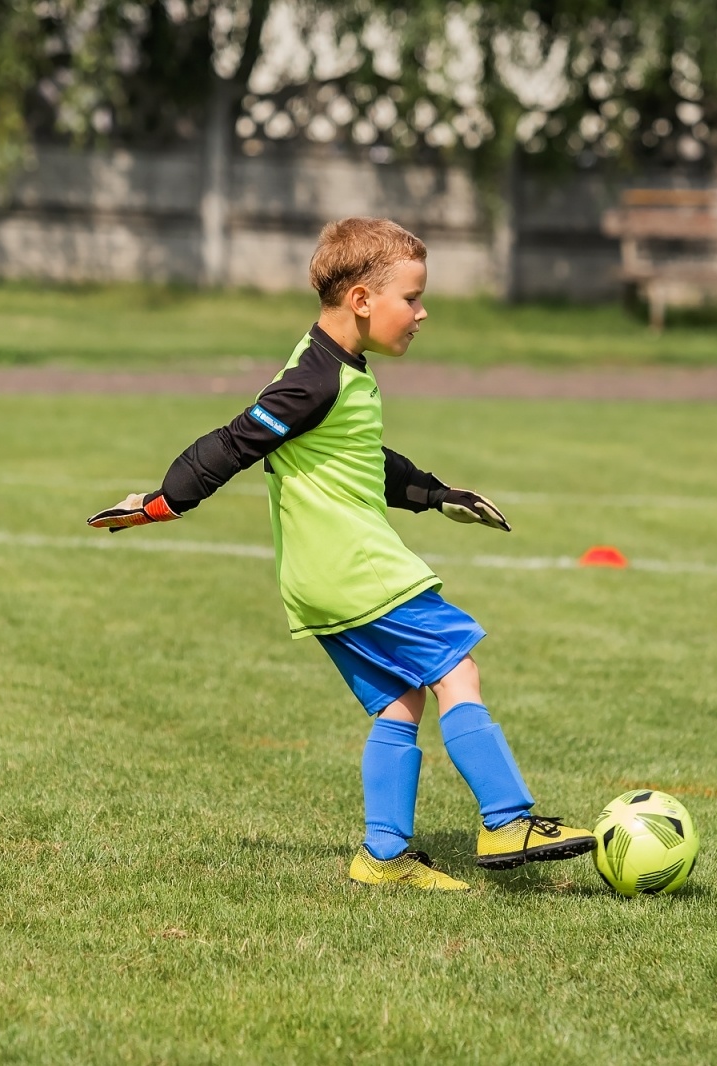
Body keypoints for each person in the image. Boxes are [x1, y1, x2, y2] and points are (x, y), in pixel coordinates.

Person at [90, 217, 594, 890]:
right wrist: (163, 501)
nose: (422, 313)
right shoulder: (313, 380)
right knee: (456, 670)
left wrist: (435, 494)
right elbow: (236, 439)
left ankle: (383, 856)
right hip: (358, 569)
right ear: (361, 299)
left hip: (318, 578)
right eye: (410, 298)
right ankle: (508, 818)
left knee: (400, 699)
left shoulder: (333, 371)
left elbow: (362, 459)